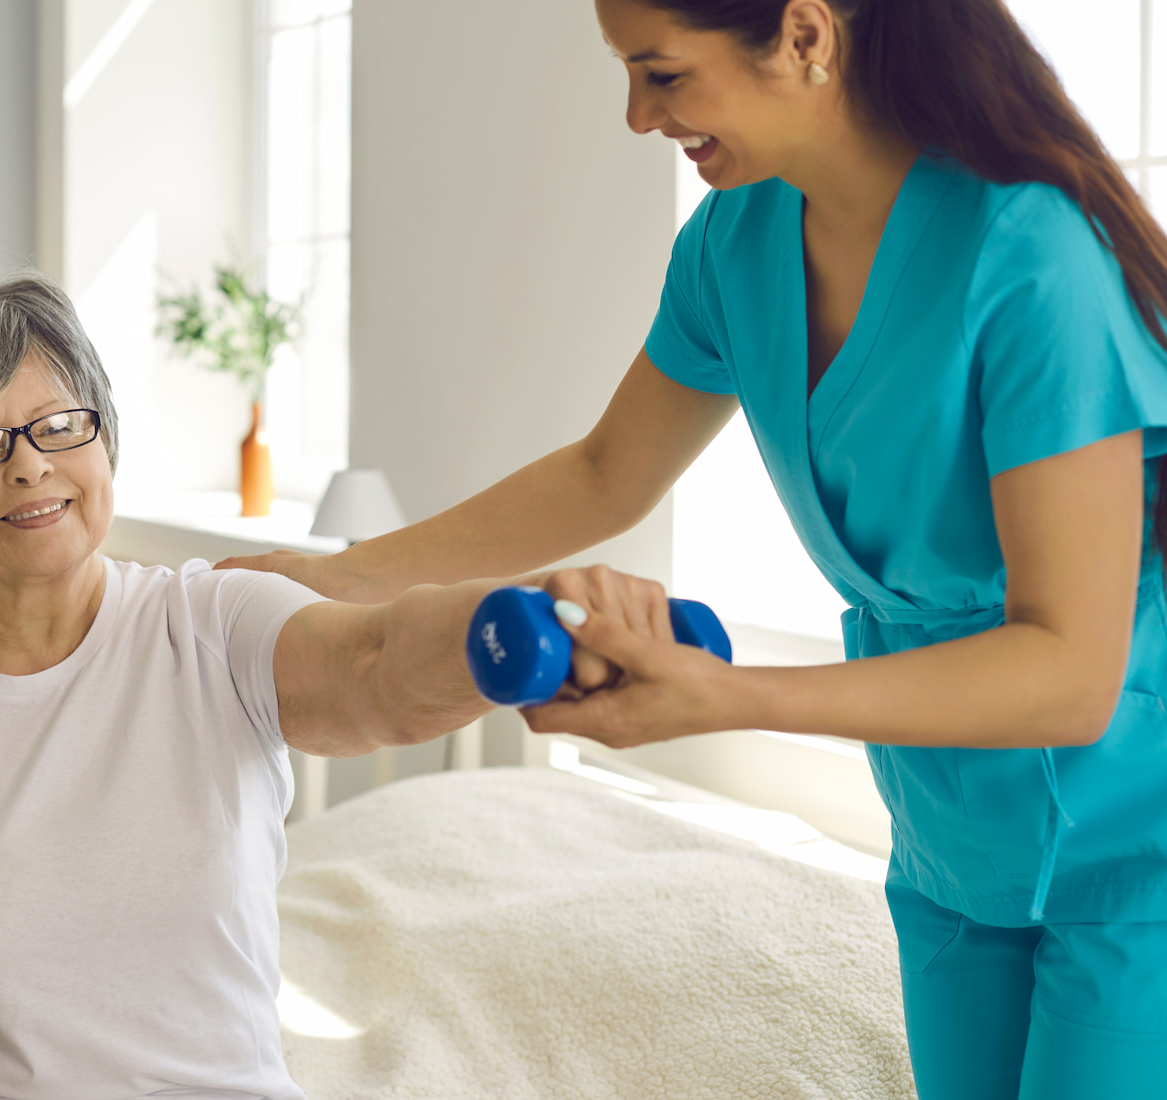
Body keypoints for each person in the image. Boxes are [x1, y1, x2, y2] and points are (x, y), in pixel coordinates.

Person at [221, 1, 1167, 1096]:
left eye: (662, 74)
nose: (636, 115)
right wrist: (333, 575)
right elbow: (604, 474)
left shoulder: (1030, 254)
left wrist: (724, 695)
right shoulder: (737, 244)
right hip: (951, 829)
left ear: (806, 35)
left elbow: (1070, 671)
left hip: (1134, 834)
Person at [0, 270, 558, 1100]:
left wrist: (518, 631)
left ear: (102, 438)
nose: (29, 468)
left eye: (59, 426)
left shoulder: (217, 625)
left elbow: (370, 663)